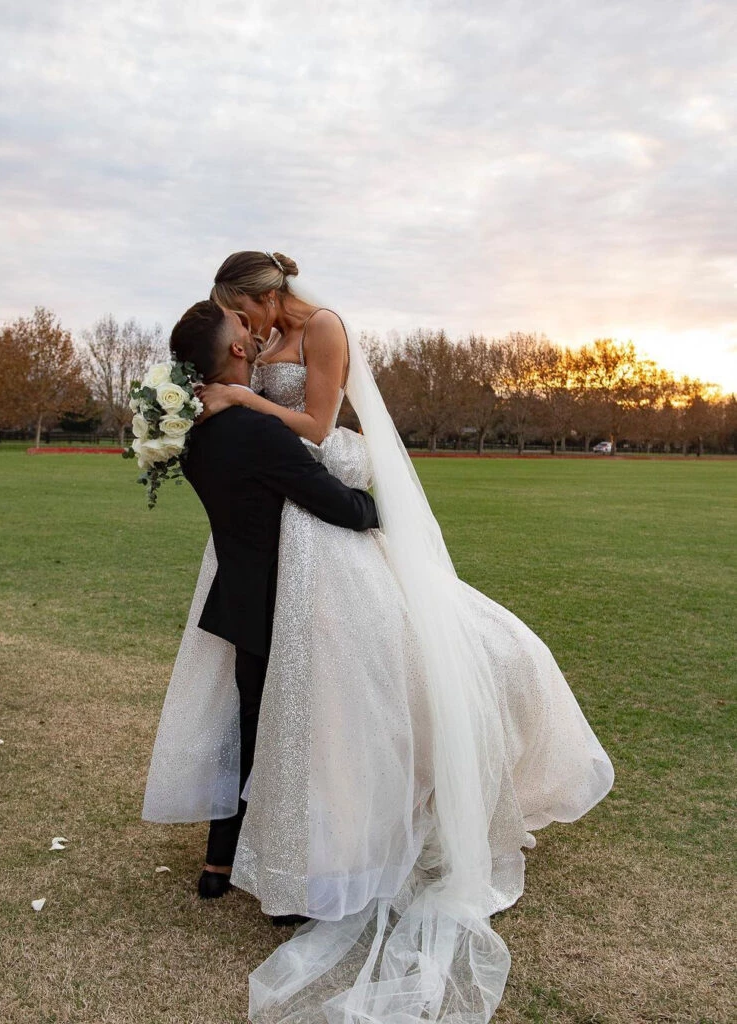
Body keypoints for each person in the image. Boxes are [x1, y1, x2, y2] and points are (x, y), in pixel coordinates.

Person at [143, 252, 614, 1023]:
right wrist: (230, 398)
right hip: (283, 516)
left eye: (244, 310)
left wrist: (241, 401)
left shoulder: (322, 328)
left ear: (264, 297)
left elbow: (319, 427)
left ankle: (267, 844)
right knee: (280, 693)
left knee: (328, 678)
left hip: (307, 487)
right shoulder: (251, 355)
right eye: (237, 321)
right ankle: (280, 839)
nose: (249, 328)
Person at [143, 299, 378, 918]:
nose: (251, 329)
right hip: (292, 600)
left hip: (239, 595)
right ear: (241, 352)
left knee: (246, 722)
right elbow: (337, 505)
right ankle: (289, 879)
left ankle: (220, 860)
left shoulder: (192, 432)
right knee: (297, 735)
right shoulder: (254, 429)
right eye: (242, 328)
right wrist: (376, 510)